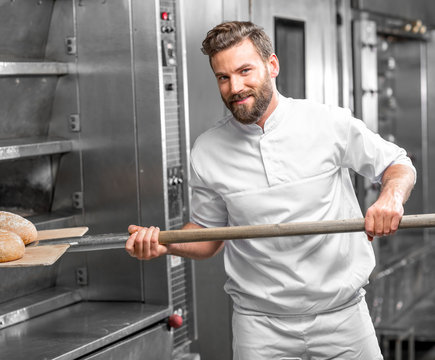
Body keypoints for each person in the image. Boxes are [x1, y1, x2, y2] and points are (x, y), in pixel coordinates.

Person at [125, 21, 416, 359]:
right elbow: (207, 235)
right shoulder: (207, 150)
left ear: (272, 65)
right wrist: (163, 244)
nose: (235, 86)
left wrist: (390, 198)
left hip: (343, 316)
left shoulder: (327, 123)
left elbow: (397, 164)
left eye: (245, 70)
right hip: (260, 327)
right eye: (223, 77)